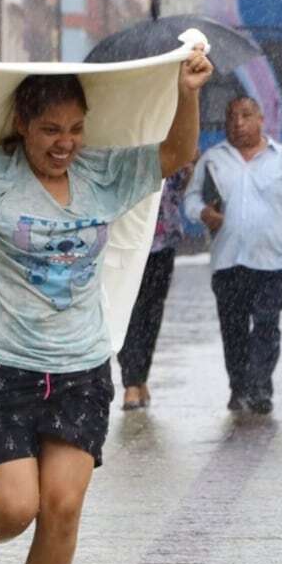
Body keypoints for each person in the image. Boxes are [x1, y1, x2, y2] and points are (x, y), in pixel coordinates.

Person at [0, 45, 212, 564]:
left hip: (81, 370)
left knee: (64, 508)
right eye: (49, 129)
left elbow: (177, 151)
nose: (64, 142)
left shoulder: (103, 175)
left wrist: (187, 92)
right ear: (22, 124)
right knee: (15, 508)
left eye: (74, 129)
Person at [183, 96, 282, 416]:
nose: (238, 122)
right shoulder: (213, 160)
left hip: (272, 262)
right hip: (228, 262)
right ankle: (238, 387)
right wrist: (204, 212)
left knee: (266, 325)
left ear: (261, 119)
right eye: (232, 116)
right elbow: (190, 200)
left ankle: (260, 388)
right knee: (233, 330)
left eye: (246, 115)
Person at [118, 161, 195, 411]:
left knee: (152, 313)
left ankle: (140, 377)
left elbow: (183, 185)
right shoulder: (129, 145)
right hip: (128, 243)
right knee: (128, 311)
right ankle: (131, 381)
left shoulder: (175, 146)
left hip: (163, 241)